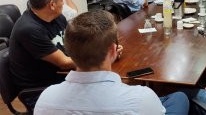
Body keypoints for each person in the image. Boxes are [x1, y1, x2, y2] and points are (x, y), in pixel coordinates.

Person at [34, 10, 189, 115]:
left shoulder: (45, 100)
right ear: (114, 51)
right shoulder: (141, 99)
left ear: (70, 52)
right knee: (180, 98)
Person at [9, 0, 76, 101]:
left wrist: (101, 48)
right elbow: (64, 63)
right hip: (40, 92)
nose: (63, 3)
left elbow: (76, 41)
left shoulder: (57, 17)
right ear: (52, 4)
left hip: (60, 78)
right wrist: (100, 57)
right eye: (62, 0)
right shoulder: (29, 29)